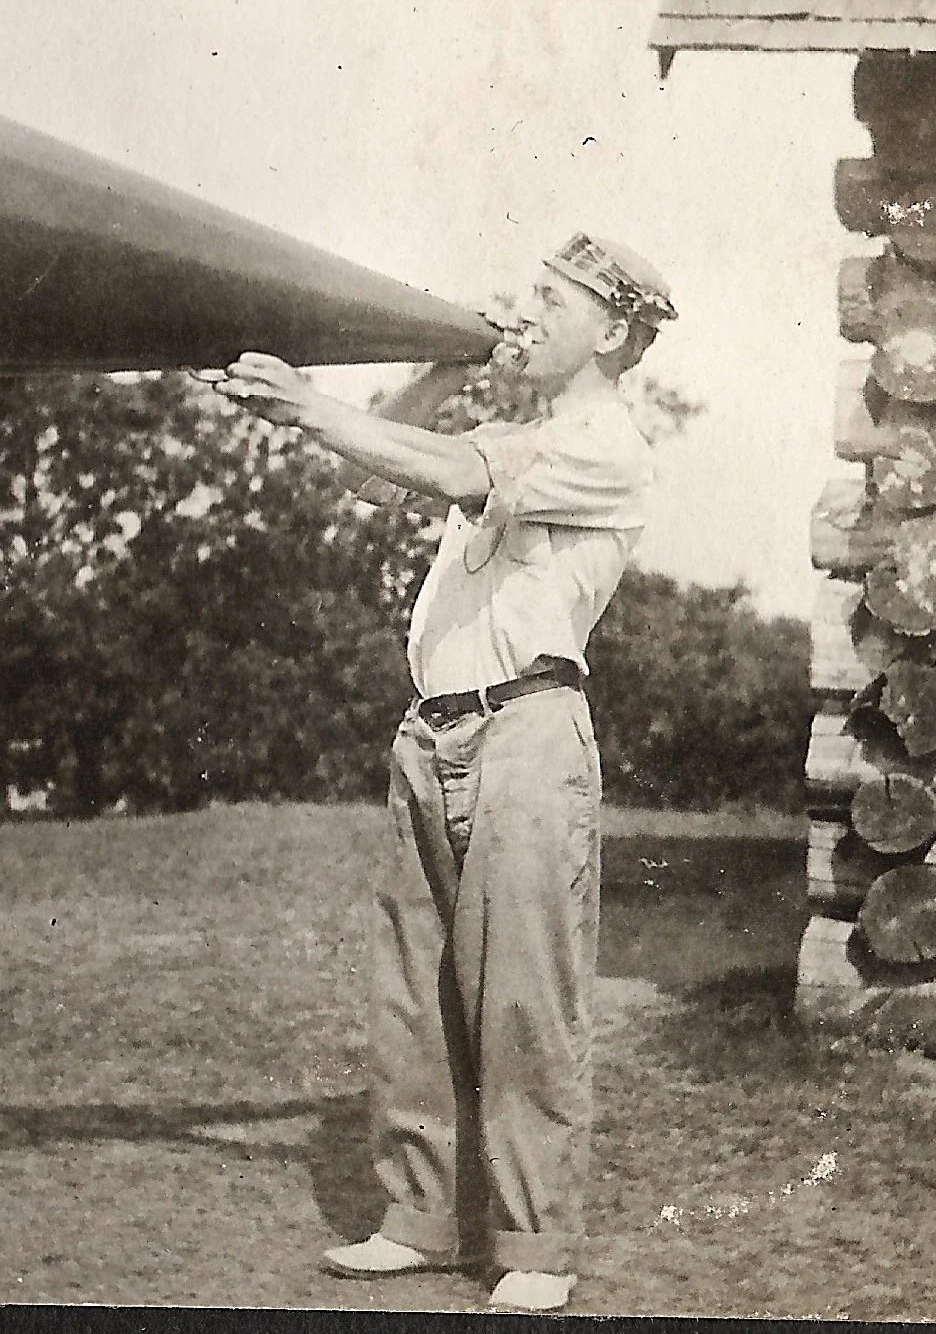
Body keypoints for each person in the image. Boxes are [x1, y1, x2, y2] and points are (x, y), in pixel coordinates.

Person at [214, 233, 675, 1312]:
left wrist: (303, 403)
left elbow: (450, 472)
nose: (530, 315)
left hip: (527, 732)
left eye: (552, 304)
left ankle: (534, 1248)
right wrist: (441, 360)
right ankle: (419, 1222)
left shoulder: (608, 442)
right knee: (414, 994)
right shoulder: (515, 429)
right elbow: (385, 480)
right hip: (433, 734)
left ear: (611, 332)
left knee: (523, 998)